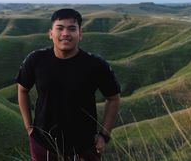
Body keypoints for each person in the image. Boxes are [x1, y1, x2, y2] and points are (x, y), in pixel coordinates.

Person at [16, 8, 121, 161]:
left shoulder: (96, 65)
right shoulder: (36, 60)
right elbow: (22, 90)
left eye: (72, 29)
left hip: (85, 147)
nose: (65, 33)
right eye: (60, 28)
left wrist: (104, 135)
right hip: (42, 144)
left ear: (80, 34)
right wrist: (28, 127)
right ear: (50, 33)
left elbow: (113, 98)